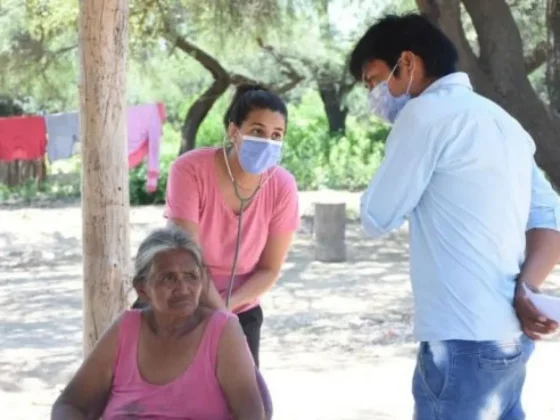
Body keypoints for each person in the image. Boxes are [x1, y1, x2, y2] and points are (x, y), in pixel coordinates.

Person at [349, 13, 560, 420]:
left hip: (459, 341)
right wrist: (527, 288)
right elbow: (550, 218)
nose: (375, 95)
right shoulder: (503, 122)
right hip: (507, 339)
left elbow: (377, 217)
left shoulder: (425, 115)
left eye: (375, 80)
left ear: (407, 63)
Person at [51, 227, 266, 420]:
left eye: (191, 276)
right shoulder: (127, 328)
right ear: (143, 289)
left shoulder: (222, 331)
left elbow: (252, 414)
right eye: (168, 278)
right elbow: (69, 404)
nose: (183, 288)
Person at [161, 83, 299, 367]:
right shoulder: (189, 170)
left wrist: (224, 310)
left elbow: (269, 269)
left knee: (244, 406)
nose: (267, 142)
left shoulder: (283, 186)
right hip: (181, 299)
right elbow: (187, 261)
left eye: (277, 135)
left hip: (240, 307)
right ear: (233, 132)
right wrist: (210, 311)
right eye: (258, 131)